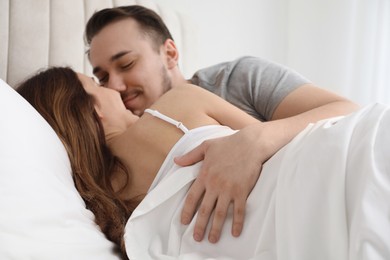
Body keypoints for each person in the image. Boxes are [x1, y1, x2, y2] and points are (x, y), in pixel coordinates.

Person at [17, 67, 390, 260]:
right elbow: (314, 131)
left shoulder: (103, 209)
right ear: (93, 108)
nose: (115, 89)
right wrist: (254, 139)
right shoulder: (176, 105)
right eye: (98, 83)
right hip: (331, 164)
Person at [83, 5, 360, 244]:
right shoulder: (121, 153)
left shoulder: (237, 79)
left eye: (127, 64)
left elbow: (348, 112)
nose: (116, 85)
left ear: (169, 53)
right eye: (103, 78)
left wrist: (256, 139)